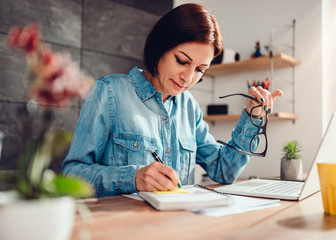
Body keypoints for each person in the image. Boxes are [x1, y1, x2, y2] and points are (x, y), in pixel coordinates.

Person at [62, 3, 283, 197]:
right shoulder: (109, 92)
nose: (188, 78)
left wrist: (253, 117)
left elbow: (224, 170)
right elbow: (72, 175)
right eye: (181, 61)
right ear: (160, 48)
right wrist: (134, 177)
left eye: (199, 69)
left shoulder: (189, 107)